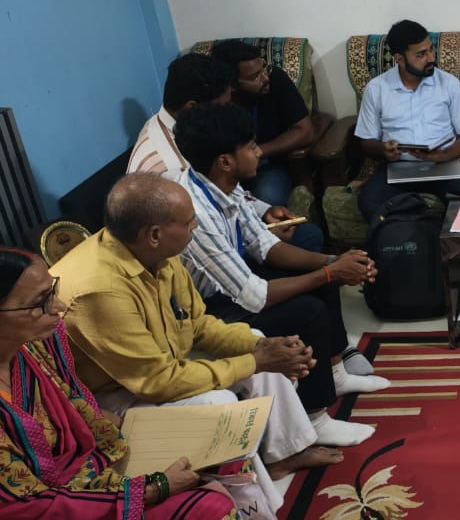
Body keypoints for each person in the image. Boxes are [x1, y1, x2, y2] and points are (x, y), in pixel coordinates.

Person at [0, 249, 318, 520]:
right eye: (39, 302)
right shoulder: (93, 294)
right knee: (206, 508)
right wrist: (151, 487)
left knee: (218, 454)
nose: (58, 307)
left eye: (51, 291)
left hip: (91, 470)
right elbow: (21, 510)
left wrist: (128, 433)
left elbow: (78, 405)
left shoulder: (34, 346)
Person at [51, 177, 356, 486]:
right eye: (188, 222)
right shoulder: (100, 291)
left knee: (257, 344)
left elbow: (197, 325)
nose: (195, 226)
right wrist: (255, 361)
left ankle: (286, 453)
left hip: (160, 365)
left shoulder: (154, 252)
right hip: (112, 395)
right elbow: (157, 382)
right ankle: (256, 505)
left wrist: (261, 348)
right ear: (154, 234)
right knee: (219, 402)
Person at [169, 102, 389, 446]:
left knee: (320, 269)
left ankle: (336, 373)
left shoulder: (224, 184)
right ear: (225, 161)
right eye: (251, 147)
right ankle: (315, 418)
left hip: (235, 283)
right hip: (208, 312)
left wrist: (335, 261)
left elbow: (264, 246)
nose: (259, 152)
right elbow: (255, 296)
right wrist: (331, 272)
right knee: (309, 310)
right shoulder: (196, 213)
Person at [128, 52, 326, 255]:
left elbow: (223, 192)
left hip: (227, 227)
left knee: (307, 234)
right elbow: (198, 239)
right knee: (305, 240)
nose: (227, 112)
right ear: (192, 108)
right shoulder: (168, 170)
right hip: (201, 249)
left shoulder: (179, 126)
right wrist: (258, 235)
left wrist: (263, 210)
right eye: (222, 107)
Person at [354, 19, 460, 221]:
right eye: (420, 55)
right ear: (399, 58)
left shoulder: (448, 83)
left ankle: (440, 238)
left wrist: (441, 156)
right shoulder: (377, 88)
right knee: (368, 201)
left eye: (431, 50)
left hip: (442, 166)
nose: (431, 58)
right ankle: (407, 236)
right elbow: (366, 142)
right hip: (397, 167)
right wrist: (383, 150)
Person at [210, 40, 318, 208]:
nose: (265, 78)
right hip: (226, 170)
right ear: (232, 85)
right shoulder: (217, 99)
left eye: (264, 68)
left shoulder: (275, 79)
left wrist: (258, 151)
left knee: (267, 199)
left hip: (268, 166)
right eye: (254, 77)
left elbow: (305, 131)